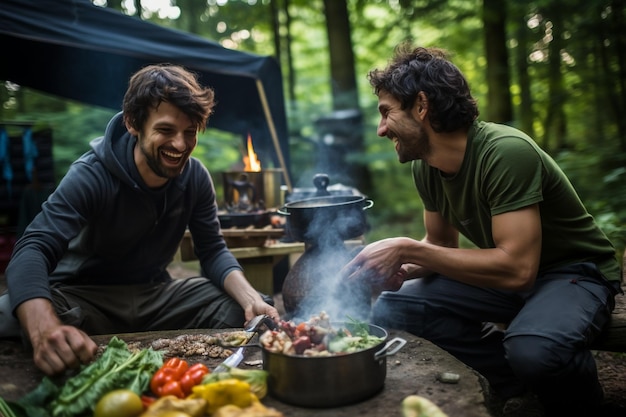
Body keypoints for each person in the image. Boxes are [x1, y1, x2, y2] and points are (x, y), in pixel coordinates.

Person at [343, 44, 622, 417]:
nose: (380, 129)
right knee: (399, 306)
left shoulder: (505, 151)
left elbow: (518, 268)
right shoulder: (425, 166)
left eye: (386, 112)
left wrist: (408, 249)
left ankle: (581, 402)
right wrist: (401, 268)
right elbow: (440, 245)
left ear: (421, 106)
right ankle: (515, 382)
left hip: (573, 273)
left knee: (534, 348)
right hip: (512, 277)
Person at [0, 64, 279, 376]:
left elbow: (212, 251)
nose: (180, 145)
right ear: (133, 123)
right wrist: (43, 327)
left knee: (246, 306)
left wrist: (251, 299)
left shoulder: (196, 178)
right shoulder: (91, 174)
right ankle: (61, 341)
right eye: (165, 131)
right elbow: (33, 248)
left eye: (189, 132)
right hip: (87, 300)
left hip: (155, 297)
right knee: (13, 312)